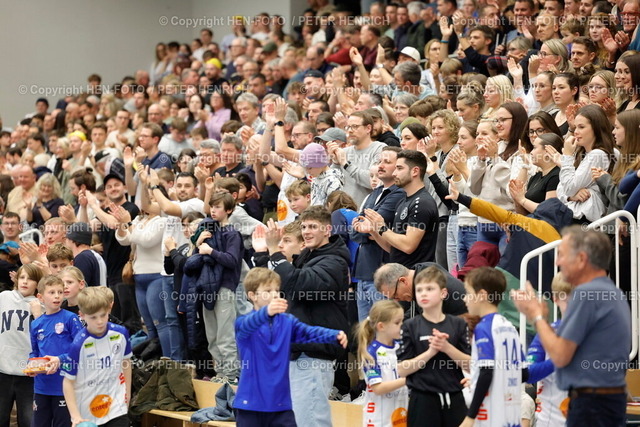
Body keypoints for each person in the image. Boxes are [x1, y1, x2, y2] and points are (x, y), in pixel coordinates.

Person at [512, 227, 631, 426]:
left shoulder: (587, 295)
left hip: (591, 406)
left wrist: (537, 316)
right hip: (606, 403)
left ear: (582, 259)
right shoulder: (612, 294)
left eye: (562, 255)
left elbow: (560, 356)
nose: (557, 262)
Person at [263, 206, 350, 427]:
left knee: (309, 420)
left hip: (313, 355)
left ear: (327, 230)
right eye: (304, 227)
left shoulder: (334, 261)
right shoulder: (309, 257)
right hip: (297, 353)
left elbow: (298, 284)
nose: (307, 231)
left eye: (313, 226)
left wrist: (273, 250)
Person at [234, 267, 348, 427]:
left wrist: (334, 335)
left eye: (277, 290)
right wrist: (266, 312)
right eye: (268, 291)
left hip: (280, 406)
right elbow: (248, 325)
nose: (275, 295)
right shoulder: (243, 323)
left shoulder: (287, 321)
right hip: (250, 405)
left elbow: (309, 332)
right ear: (252, 296)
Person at [399, 266, 470, 427]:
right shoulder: (409, 326)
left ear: (443, 293)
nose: (423, 294)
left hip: (454, 398)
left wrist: (447, 348)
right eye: (419, 290)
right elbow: (402, 370)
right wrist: (430, 352)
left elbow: (472, 365)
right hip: (422, 400)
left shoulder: (458, 324)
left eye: (429, 289)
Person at [460, 267, 525, 427]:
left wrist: (470, 416)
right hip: (511, 415)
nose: (464, 299)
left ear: (482, 295)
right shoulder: (510, 326)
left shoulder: (484, 327)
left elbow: (486, 372)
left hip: (491, 416)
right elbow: (524, 373)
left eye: (468, 293)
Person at [62, 287, 132, 427]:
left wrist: (128, 394)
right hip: (87, 410)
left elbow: (126, 363)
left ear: (109, 310)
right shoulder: (78, 344)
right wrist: (75, 416)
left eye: (103, 315)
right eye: (93, 317)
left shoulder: (121, 333)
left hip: (116, 405)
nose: (99, 321)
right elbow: (67, 382)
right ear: (82, 315)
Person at [364, 150, 439, 268]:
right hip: (400, 271)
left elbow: (408, 246)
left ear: (415, 171)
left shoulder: (422, 203)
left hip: (416, 274)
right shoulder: (403, 201)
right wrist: (374, 230)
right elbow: (392, 247)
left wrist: (382, 227)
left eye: (399, 168)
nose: (394, 173)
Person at [27, 275, 82, 427]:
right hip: (42, 387)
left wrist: (60, 359)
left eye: (60, 292)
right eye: (52, 292)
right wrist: (31, 365)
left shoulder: (71, 318)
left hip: (64, 386)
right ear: (40, 297)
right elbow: (34, 352)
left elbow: (81, 348)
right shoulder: (36, 323)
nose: (57, 296)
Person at [525, 273, 571, 427]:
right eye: (567, 297)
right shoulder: (546, 332)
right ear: (555, 299)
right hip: (552, 421)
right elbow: (528, 374)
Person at [0, 264, 43, 427]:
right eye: (22, 277)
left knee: (27, 420)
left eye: (30, 279)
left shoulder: (40, 305)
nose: (25, 282)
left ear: (37, 283)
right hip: (3, 369)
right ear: (16, 280)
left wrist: (38, 313)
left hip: (28, 373)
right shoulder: (4, 297)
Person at [357, 299, 409, 427]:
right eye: (397, 323)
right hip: (379, 418)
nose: (402, 326)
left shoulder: (401, 346)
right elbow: (378, 388)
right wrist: (409, 380)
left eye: (402, 321)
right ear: (381, 326)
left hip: (400, 414)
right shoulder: (371, 353)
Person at [65, 222, 107, 287]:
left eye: (66, 238)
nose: (65, 241)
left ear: (72, 240)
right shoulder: (94, 255)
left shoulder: (82, 258)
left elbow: (79, 287)